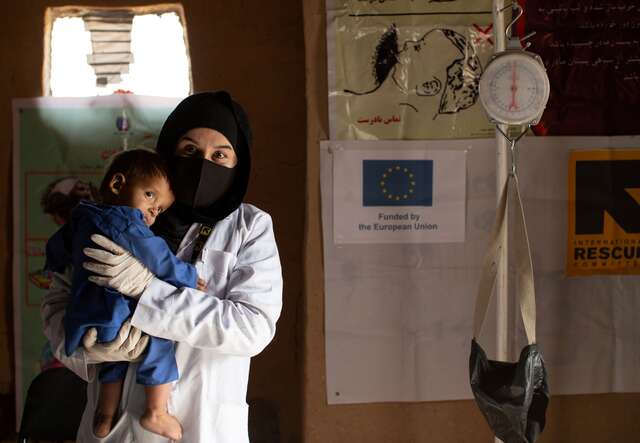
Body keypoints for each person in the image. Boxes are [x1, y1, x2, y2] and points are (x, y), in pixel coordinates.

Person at [41, 91, 283, 442]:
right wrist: (82, 347)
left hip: (200, 427)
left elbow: (253, 327)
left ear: (238, 164)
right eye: (189, 150)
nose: (203, 164)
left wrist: (149, 293)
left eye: (220, 155)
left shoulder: (250, 227)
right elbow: (56, 303)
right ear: (167, 152)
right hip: (115, 430)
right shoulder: (112, 215)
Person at [46, 149, 208, 440]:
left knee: (113, 361)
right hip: (116, 311)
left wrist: (54, 263)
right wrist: (190, 277)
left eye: (159, 209)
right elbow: (159, 258)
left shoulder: (82, 216)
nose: (152, 212)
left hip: (86, 318)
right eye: (149, 196)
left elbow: (58, 246)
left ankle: (104, 416)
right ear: (118, 184)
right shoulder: (127, 222)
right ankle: (156, 412)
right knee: (160, 336)